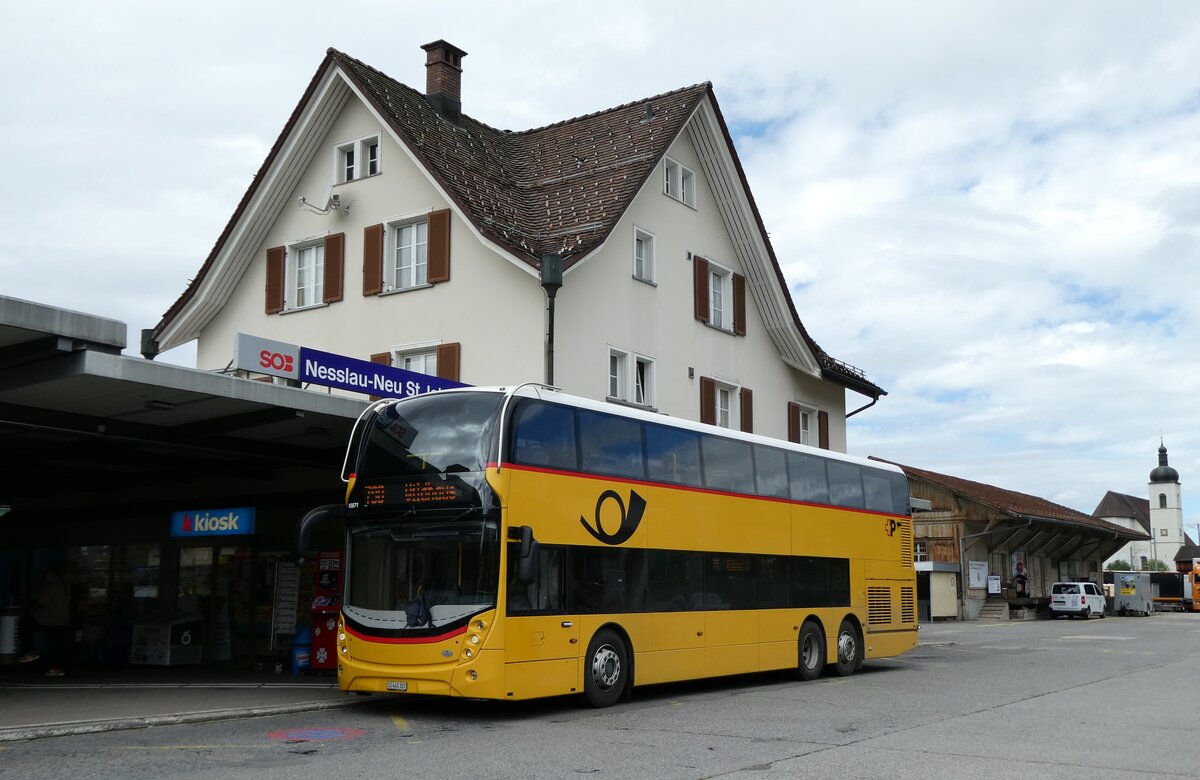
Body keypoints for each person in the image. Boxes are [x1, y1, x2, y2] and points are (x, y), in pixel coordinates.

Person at [28, 569, 71, 676]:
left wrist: (31, 606)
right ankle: (58, 667)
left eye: (47, 573)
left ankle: (33, 655)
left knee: (27, 629)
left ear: (52, 574)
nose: (45, 576)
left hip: (49, 619)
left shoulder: (51, 586)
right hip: (63, 619)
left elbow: (41, 602)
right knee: (59, 644)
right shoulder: (64, 585)